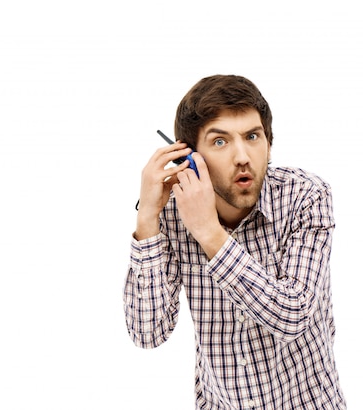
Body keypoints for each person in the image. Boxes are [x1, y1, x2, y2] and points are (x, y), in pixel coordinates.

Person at [123, 74, 346, 409]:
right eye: (220, 142)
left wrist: (209, 233)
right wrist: (147, 219)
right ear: (189, 157)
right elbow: (147, 333)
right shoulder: (171, 214)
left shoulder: (306, 196)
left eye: (252, 137)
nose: (243, 156)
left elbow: (292, 314)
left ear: (268, 143)